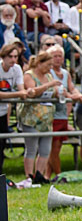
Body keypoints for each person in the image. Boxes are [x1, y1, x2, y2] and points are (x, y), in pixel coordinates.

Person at [20, 51, 61, 183]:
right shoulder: (29, 75)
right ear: (39, 63)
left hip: (47, 119)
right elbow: (32, 92)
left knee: (45, 149)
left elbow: (53, 93)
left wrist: (59, 92)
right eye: (48, 64)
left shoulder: (49, 76)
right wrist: (49, 85)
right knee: (32, 148)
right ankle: (29, 176)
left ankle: (39, 175)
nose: (50, 68)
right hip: (31, 119)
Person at [45, 45, 82, 179]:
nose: (57, 59)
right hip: (51, 114)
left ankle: (47, 175)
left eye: (60, 56)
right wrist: (71, 96)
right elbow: (60, 92)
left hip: (62, 114)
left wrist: (78, 94)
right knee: (52, 148)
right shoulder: (48, 73)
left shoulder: (65, 73)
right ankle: (59, 174)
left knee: (57, 146)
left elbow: (72, 88)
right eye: (54, 56)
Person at [0, 44, 30, 174]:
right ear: (3, 57)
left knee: (2, 144)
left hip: (2, 112)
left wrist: (24, 93)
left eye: (15, 57)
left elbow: (21, 89)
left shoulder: (17, 69)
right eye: (10, 56)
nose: (13, 60)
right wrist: (18, 94)